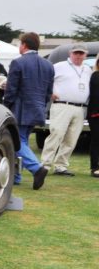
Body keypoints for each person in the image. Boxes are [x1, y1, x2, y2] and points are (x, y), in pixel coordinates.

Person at [4, 32, 53, 189]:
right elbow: (48, 92)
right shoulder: (48, 65)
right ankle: (16, 177)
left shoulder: (18, 63)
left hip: (20, 109)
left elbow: (11, 90)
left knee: (18, 143)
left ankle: (37, 169)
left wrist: (6, 106)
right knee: (20, 141)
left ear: (24, 45)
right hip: (38, 109)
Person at [40, 44, 91, 176]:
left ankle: (61, 166)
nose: (78, 56)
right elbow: (45, 81)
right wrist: (50, 92)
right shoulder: (59, 66)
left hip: (80, 108)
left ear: (85, 55)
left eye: (81, 53)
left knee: (71, 139)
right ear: (70, 53)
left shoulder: (87, 69)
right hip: (62, 105)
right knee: (56, 134)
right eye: (76, 53)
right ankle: (45, 164)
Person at [89, 62, 99, 177]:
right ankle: (95, 167)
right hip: (96, 114)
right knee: (96, 140)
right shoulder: (96, 76)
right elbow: (96, 95)